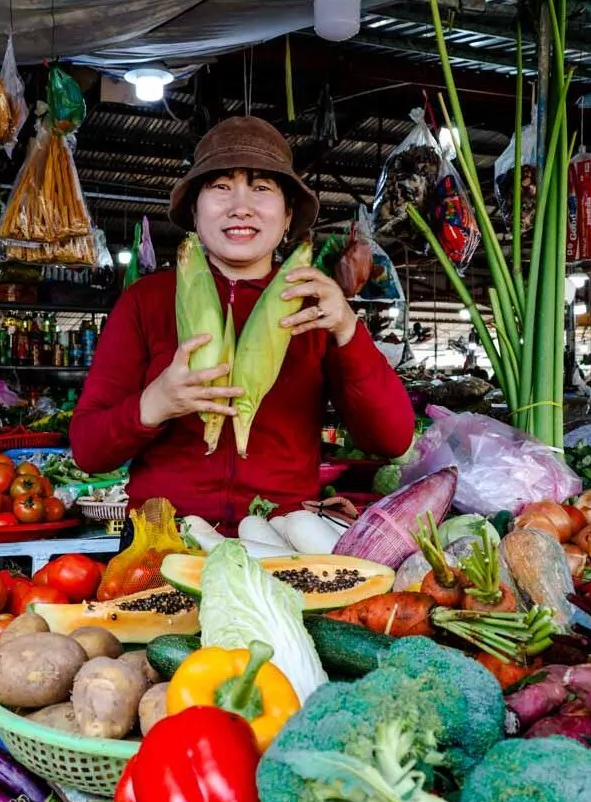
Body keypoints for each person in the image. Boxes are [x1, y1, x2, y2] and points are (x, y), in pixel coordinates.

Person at [70, 116, 414, 528]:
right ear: (194, 212)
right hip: (164, 541)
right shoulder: (146, 301)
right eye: (220, 187)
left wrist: (346, 330)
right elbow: (88, 451)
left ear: (287, 217)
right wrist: (156, 403)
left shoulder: (315, 307)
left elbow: (392, 439)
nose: (241, 207)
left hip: (282, 538)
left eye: (262, 188)